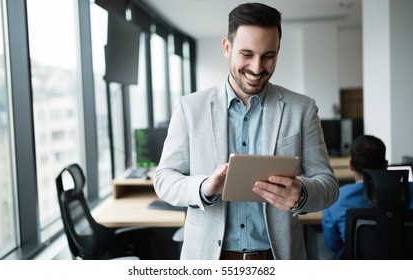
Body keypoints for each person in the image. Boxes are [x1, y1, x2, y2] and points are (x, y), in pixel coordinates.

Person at [154, 2, 339, 260]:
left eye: (268, 56)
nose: (256, 67)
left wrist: (301, 193)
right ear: (227, 48)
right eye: (247, 54)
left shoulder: (302, 109)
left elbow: (329, 185)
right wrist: (205, 187)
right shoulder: (190, 108)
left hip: (277, 258)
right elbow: (164, 179)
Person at [322, 134, 413, 259]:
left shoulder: (335, 198)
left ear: (350, 165)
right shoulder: (410, 191)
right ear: (386, 164)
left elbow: (332, 244)